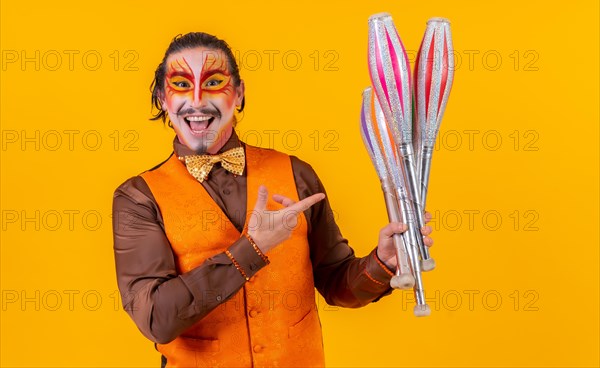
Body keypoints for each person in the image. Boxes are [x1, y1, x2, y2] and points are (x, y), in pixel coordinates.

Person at [112, 32, 433, 368]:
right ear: (163, 98)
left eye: (214, 82)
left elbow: (337, 285)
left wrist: (381, 263)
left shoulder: (296, 173)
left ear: (238, 94)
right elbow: (156, 319)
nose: (196, 100)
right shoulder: (138, 197)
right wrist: (249, 251)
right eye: (180, 84)